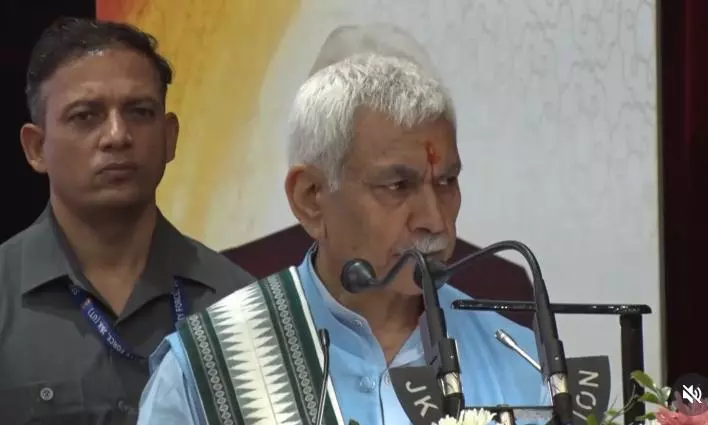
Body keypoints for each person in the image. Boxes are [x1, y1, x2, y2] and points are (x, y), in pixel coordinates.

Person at [137, 54, 548, 425]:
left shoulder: (522, 361)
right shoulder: (210, 368)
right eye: (398, 186)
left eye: (447, 182)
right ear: (311, 197)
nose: (435, 221)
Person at [0, 17, 253, 425]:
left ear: (169, 137)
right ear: (36, 148)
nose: (117, 135)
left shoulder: (238, 303)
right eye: (86, 116)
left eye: (139, 112)